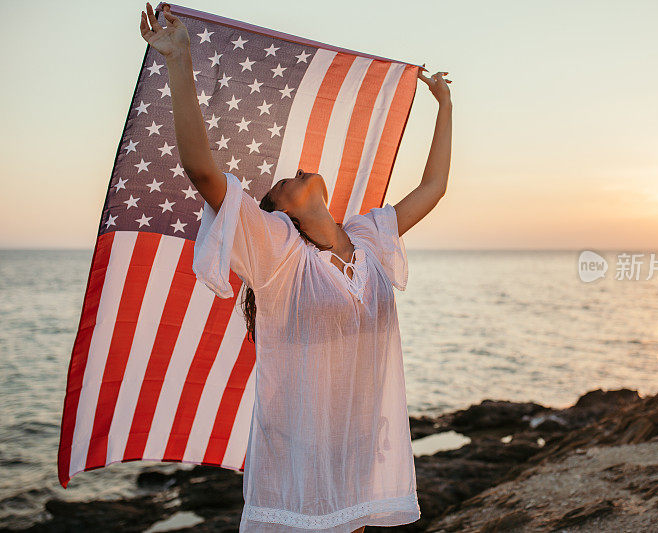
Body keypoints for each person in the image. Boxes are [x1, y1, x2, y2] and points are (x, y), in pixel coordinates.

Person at [140, 3, 452, 532]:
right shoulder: (281, 253)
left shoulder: (370, 240)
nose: (297, 172)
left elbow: (434, 188)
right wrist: (178, 58)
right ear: (280, 211)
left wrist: (444, 104)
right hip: (297, 465)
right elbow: (201, 168)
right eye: (283, 183)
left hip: (357, 450)